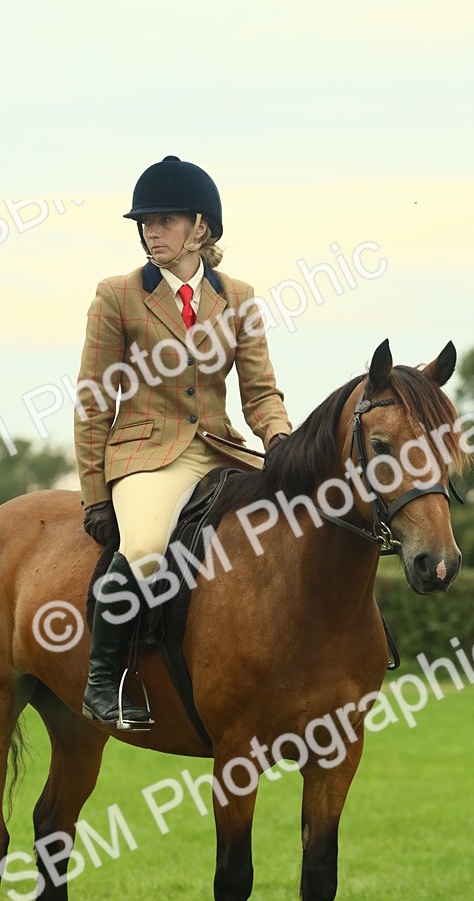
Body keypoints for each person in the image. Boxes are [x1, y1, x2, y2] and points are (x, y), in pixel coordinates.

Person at [75, 155, 292, 730]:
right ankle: (103, 681)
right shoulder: (118, 295)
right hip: (148, 452)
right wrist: (95, 494)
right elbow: (94, 401)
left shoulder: (239, 298)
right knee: (146, 549)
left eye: (163, 220)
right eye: (143, 223)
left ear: (201, 228)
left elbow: (261, 392)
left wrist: (281, 441)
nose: (150, 232)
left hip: (222, 449)